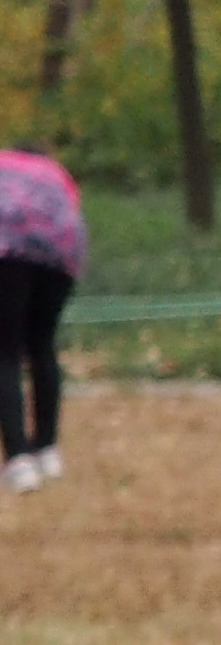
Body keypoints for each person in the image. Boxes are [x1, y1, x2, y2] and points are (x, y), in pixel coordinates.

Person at [0, 144, 84, 492]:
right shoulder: (54, 172)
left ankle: (18, 459)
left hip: (7, 248)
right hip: (62, 251)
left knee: (4, 352)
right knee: (41, 344)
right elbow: (73, 208)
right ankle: (47, 450)